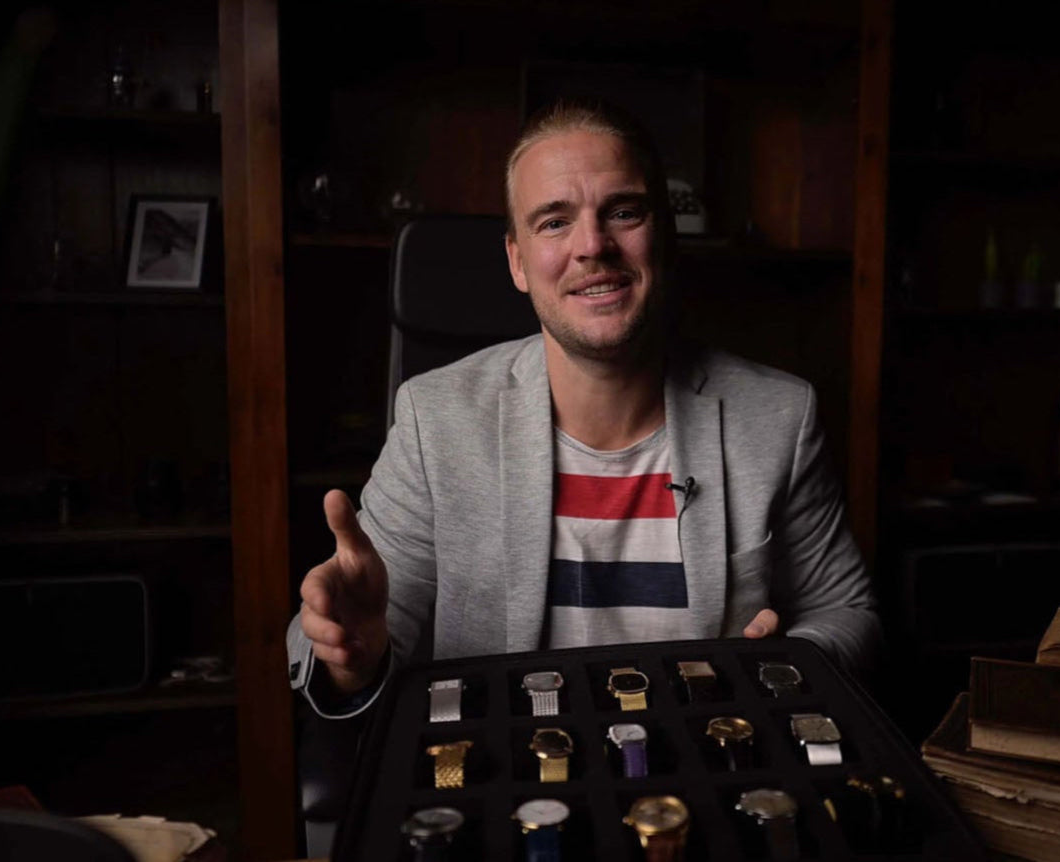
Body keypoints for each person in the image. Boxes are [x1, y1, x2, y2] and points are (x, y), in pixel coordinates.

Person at [287, 99, 879, 716]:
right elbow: (334, 638)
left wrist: (779, 663)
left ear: (666, 236)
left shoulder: (779, 415)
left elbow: (849, 613)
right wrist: (352, 651)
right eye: (553, 222)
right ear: (517, 261)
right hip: (505, 772)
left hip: (710, 765)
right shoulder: (434, 420)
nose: (593, 245)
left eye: (623, 212)